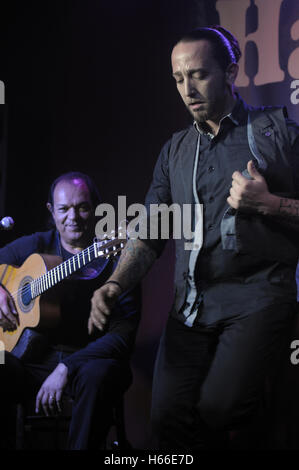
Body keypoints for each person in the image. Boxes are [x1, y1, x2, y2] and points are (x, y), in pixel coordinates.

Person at [88, 26, 299, 450]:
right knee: (166, 426)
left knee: (218, 410)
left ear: (231, 72)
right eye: (179, 79)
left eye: (198, 75)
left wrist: (269, 204)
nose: (187, 89)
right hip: (191, 310)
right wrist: (115, 283)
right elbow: (150, 232)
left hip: (257, 299)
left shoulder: (279, 133)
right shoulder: (175, 151)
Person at [0, 171, 141, 450]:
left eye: (83, 207)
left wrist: (68, 367)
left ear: (97, 209)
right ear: (52, 211)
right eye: (64, 209)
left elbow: (123, 336)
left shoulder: (118, 261)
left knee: (100, 375)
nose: (73, 218)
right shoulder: (36, 245)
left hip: (87, 363)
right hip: (30, 362)